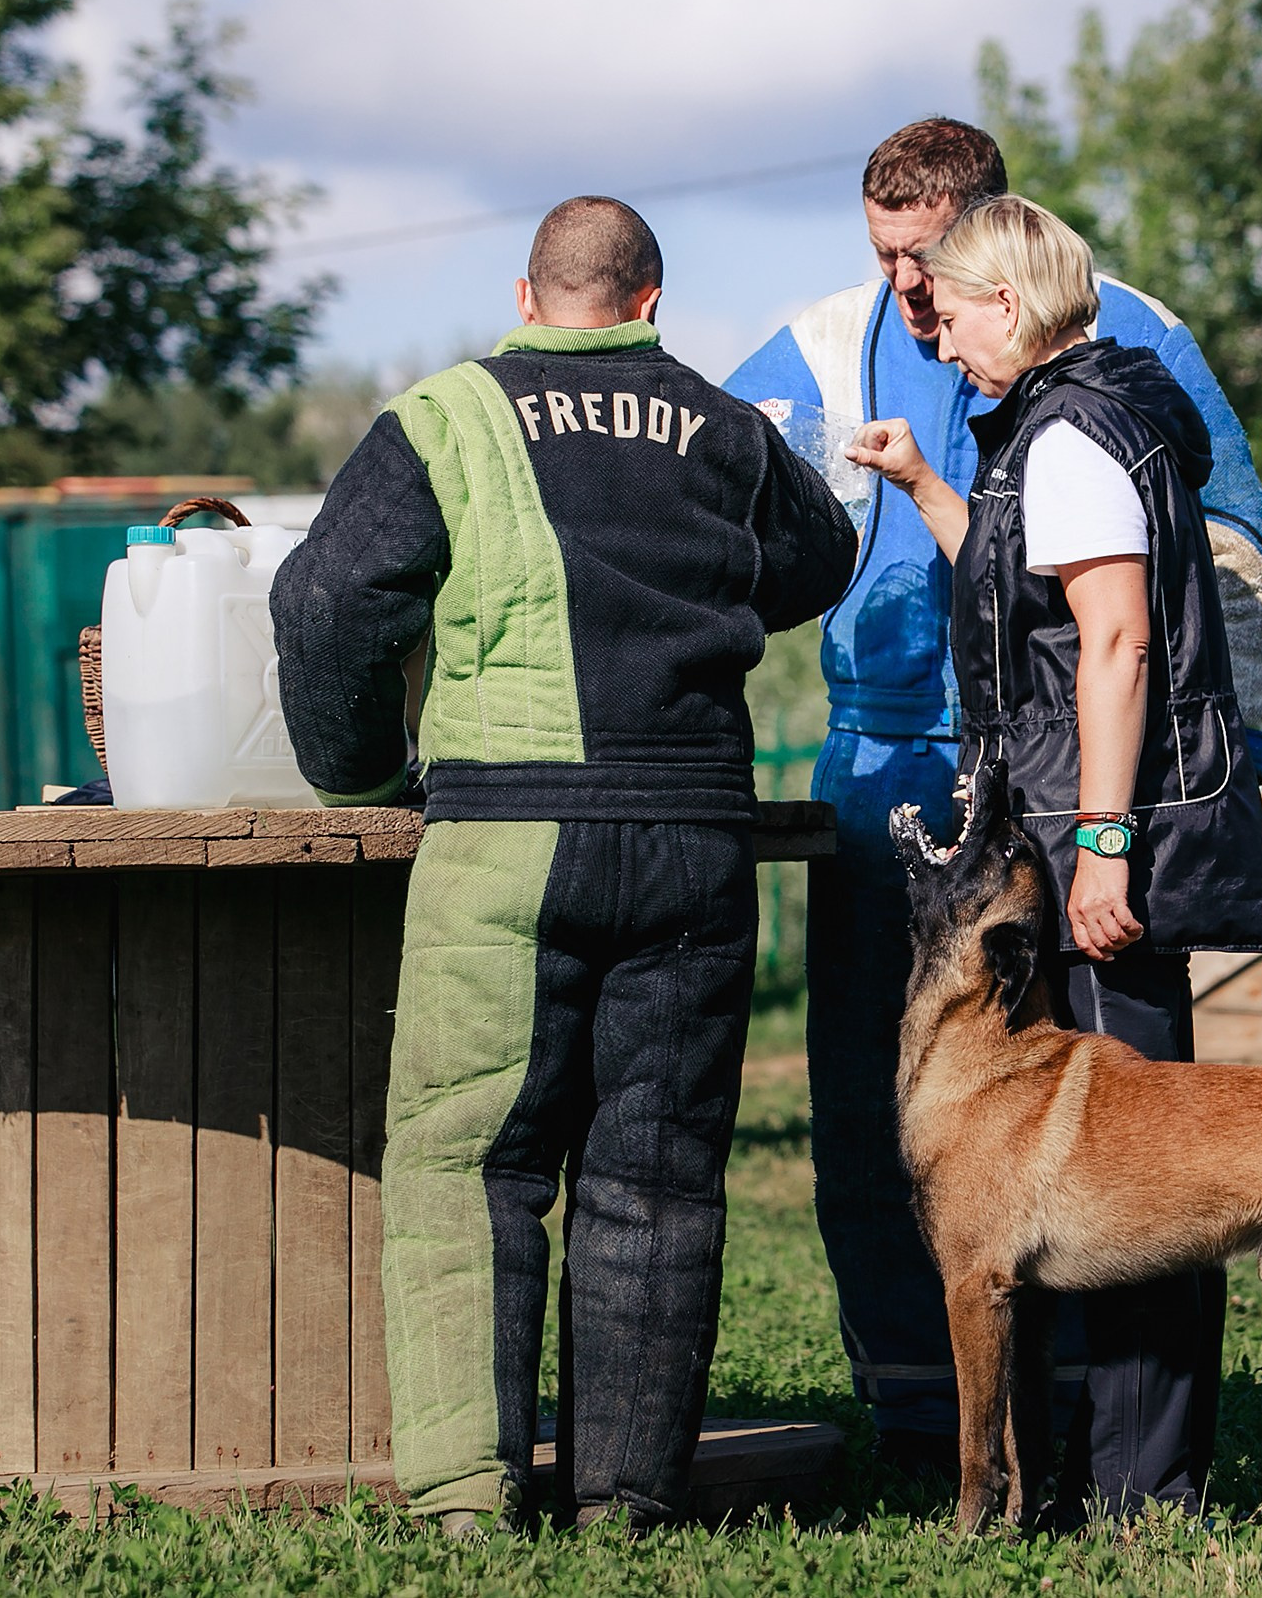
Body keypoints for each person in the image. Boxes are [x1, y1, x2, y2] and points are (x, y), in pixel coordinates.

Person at [272, 198, 856, 1531]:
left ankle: (472, 1499)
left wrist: (358, 771)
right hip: (697, 846)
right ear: (649, 300)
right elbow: (820, 554)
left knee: (469, 1167)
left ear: (526, 297)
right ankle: (628, 1499)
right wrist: (699, 603)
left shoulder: (446, 417)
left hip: (508, 838)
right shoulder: (723, 426)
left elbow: (324, 599)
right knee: (655, 1177)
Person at [723, 118, 1262, 1472]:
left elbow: (1174, 604)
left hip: (1077, 795)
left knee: (1138, 1138)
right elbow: (714, 489)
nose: (908, 296)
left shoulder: (1116, 361)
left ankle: (1135, 1467)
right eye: (887, 261)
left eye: (930, 266)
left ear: (996, 262)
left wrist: (1163, 802)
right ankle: (948, 1423)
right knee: (890, 1114)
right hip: (921, 781)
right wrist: (917, 486)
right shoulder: (835, 343)